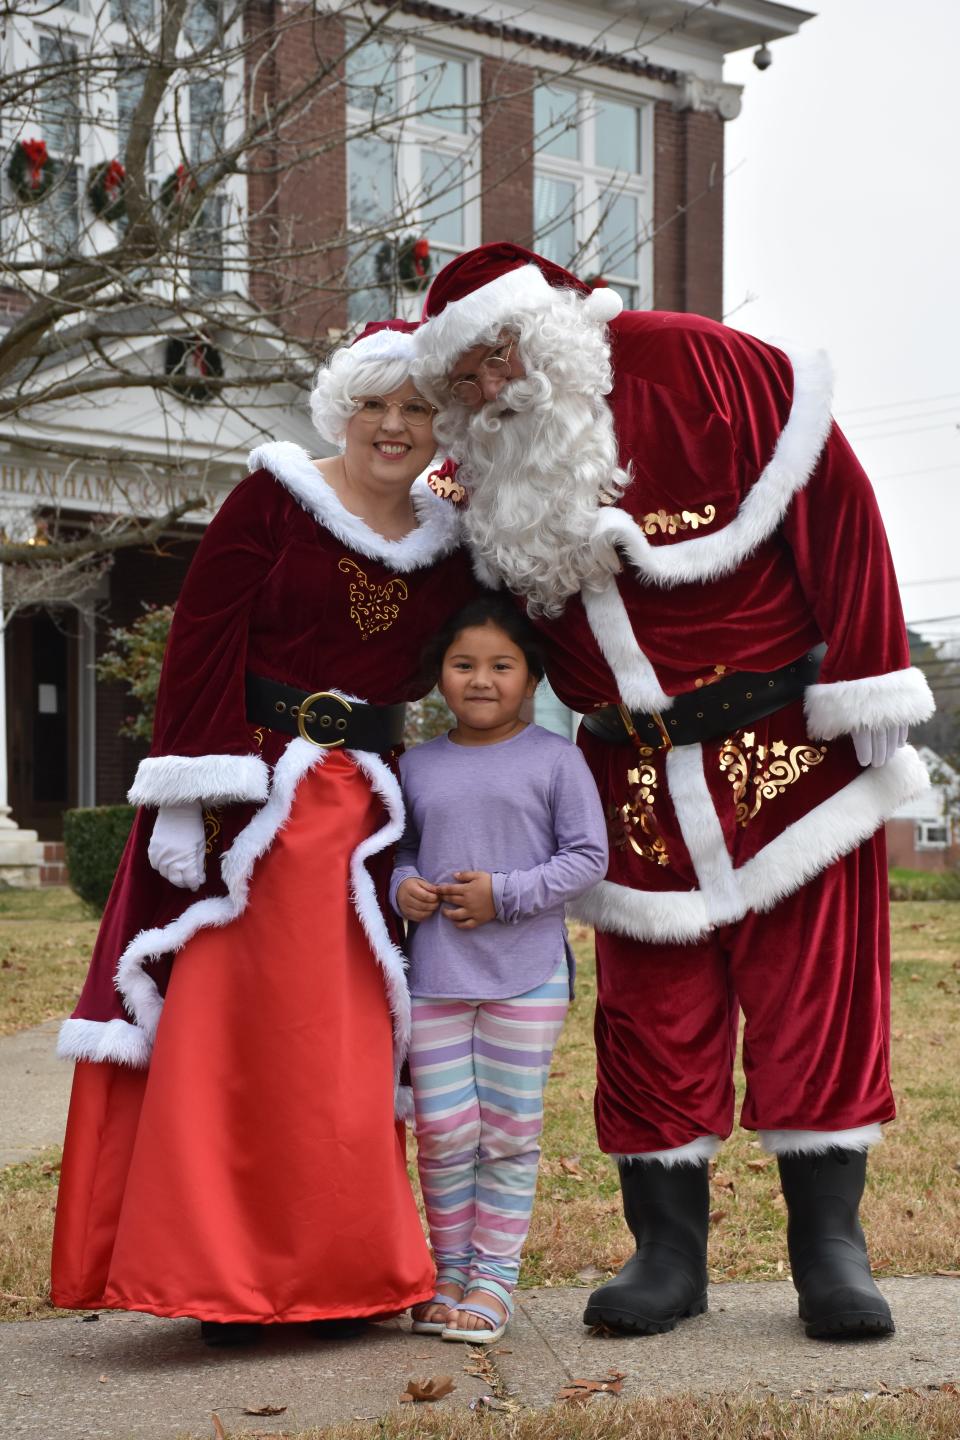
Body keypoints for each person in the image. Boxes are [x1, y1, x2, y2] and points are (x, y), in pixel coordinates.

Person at [411, 244, 936, 1341]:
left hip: (786, 751)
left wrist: (871, 676)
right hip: (626, 775)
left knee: (815, 1000)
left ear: (543, 330)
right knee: (653, 1015)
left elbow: (833, 500)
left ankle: (830, 1248)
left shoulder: (699, 367)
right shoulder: (471, 475)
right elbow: (456, 626)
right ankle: (666, 1251)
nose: (485, 389)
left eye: (494, 357)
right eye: (458, 379)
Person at [52, 319, 480, 1344]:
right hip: (255, 807)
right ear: (344, 406)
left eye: (418, 407)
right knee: (240, 1040)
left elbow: (493, 647)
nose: (395, 424)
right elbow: (200, 643)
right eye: (377, 403)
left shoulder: (452, 541)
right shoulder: (273, 498)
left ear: (441, 426)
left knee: (346, 1049)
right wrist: (196, 802)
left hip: (371, 818)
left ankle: (349, 1272)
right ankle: (226, 1282)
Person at [389, 595, 608, 1343]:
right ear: (439, 677)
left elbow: (587, 857)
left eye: (501, 665)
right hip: (436, 976)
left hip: (526, 974)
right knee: (444, 1130)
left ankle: (494, 1279)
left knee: (509, 1132)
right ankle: (447, 1271)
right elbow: (403, 848)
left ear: (532, 678)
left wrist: (504, 896)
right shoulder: (416, 765)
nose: (481, 680)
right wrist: (402, 887)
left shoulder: (557, 760)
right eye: (464, 664)